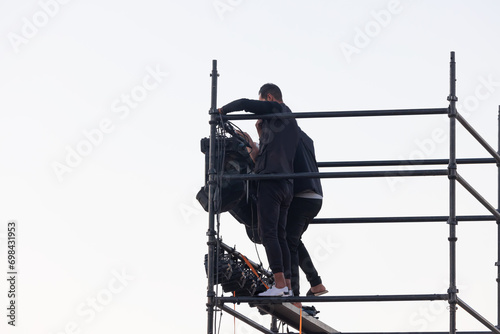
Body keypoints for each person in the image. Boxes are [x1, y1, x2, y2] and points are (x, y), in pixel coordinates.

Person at [218, 83, 299, 297]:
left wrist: (220, 112)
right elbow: (269, 154)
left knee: (267, 233)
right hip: (286, 184)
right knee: (280, 235)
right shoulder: (290, 122)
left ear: (270, 98)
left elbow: (245, 104)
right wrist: (260, 135)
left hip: (271, 183)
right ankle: (287, 287)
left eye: (263, 103)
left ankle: (279, 285)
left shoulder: (276, 108)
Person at [286, 130, 328, 306]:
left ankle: (295, 297)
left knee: (289, 242)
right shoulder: (305, 138)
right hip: (315, 197)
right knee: (294, 241)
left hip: (301, 196)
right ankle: (316, 283)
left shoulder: (283, 135)